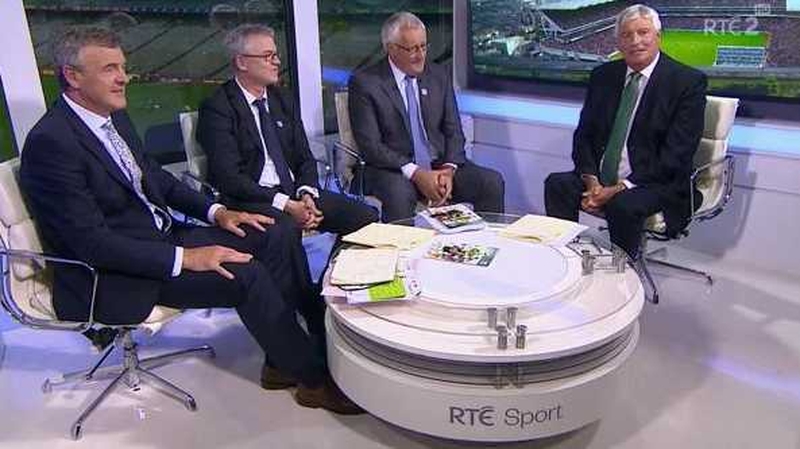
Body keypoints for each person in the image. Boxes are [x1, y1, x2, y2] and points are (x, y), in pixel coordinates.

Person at [19, 26, 361, 415]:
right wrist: (187, 258)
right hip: (117, 272)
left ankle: (286, 355)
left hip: (161, 238)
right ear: (73, 76)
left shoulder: (113, 118)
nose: (123, 77)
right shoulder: (52, 144)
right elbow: (92, 244)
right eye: (110, 68)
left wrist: (219, 212)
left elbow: (158, 178)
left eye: (123, 67)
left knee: (272, 231)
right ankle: (313, 379)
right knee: (245, 277)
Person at [544, 4, 707, 258]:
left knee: (623, 204)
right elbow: (584, 136)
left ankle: (624, 275)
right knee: (558, 184)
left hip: (657, 181)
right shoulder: (603, 75)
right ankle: (565, 259)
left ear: (658, 37)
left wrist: (618, 188)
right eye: (626, 35)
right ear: (618, 43)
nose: (635, 41)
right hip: (601, 180)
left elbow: (676, 156)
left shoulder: (687, 82)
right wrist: (592, 180)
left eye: (643, 33)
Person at [196, 24, 378, 239]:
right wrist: (287, 205)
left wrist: (306, 193)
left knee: (366, 218)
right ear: (241, 62)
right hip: (250, 199)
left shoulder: (282, 99)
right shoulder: (217, 107)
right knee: (287, 229)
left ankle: (334, 272)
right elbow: (230, 178)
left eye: (276, 55)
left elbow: (304, 157)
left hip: (293, 191)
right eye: (268, 56)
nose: (277, 62)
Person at [348, 11, 505, 223]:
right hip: (391, 169)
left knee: (490, 182)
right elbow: (371, 146)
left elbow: (454, 131)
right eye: (412, 48)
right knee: (399, 195)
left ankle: (486, 248)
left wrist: (449, 169)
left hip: (439, 165)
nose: (420, 55)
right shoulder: (366, 82)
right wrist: (417, 173)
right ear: (391, 48)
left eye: (423, 46)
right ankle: (402, 255)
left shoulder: (438, 75)